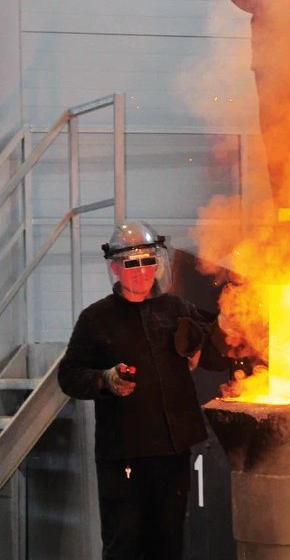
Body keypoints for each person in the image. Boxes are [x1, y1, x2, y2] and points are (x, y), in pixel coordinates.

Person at [58, 221, 233, 560]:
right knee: (124, 545)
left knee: (167, 544)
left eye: (148, 261)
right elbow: (69, 375)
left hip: (172, 452)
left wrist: (206, 340)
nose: (142, 271)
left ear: (157, 263)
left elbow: (214, 359)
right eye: (132, 263)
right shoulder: (96, 319)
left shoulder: (177, 309)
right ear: (115, 267)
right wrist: (105, 379)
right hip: (124, 453)